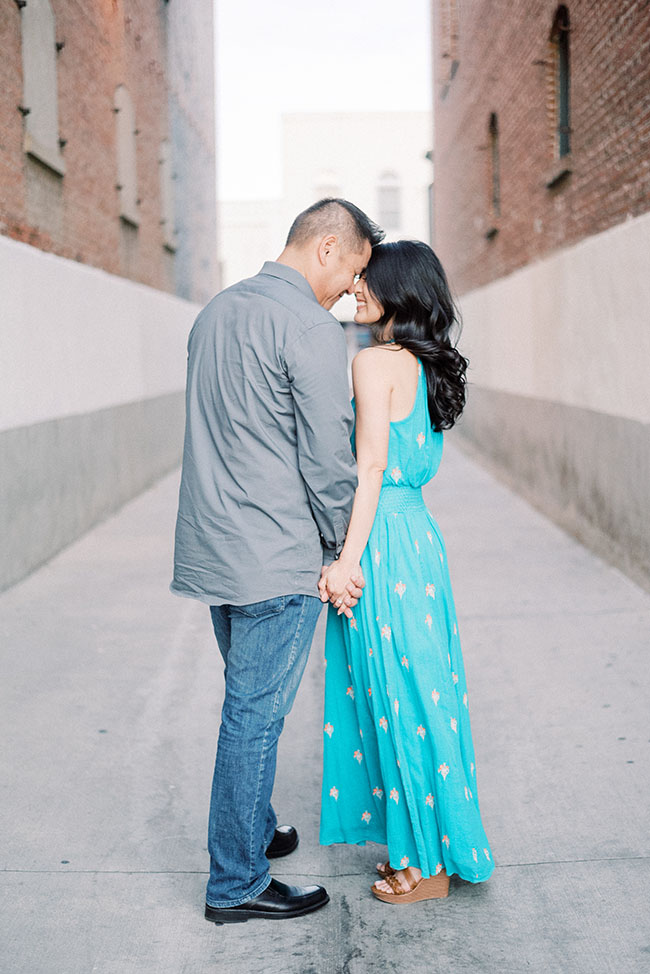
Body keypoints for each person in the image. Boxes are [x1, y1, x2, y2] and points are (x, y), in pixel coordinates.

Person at [171, 199, 384, 924]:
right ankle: (236, 883)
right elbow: (328, 458)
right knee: (254, 717)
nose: (351, 295)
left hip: (217, 550)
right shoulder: (310, 329)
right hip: (277, 555)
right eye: (352, 274)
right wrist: (339, 551)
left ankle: (253, 829)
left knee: (247, 702)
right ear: (327, 248)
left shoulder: (216, 311)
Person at [319, 240, 494, 903]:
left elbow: (369, 470)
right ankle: (429, 846)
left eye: (369, 279)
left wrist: (346, 562)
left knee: (397, 695)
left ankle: (423, 868)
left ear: (398, 290)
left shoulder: (374, 361)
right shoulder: (426, 365)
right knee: (425, 695)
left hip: (385, 541)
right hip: (419, 537)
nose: (357, 288)